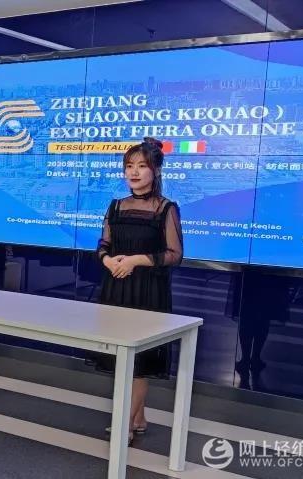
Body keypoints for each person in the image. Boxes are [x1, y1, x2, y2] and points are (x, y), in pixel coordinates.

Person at [95, 137, 183, 445]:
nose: (133, 172)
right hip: (116, 288)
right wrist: (109, 262)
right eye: (129, 166)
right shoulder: (116, 206)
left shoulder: (166, 209)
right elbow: (103, 246)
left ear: (155, 170)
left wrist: (135, 260)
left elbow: (174, 254)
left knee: (139, 365)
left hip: (148, 292)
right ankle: (139, 418)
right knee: (123, 361)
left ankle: (125, 426)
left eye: (141, 166)